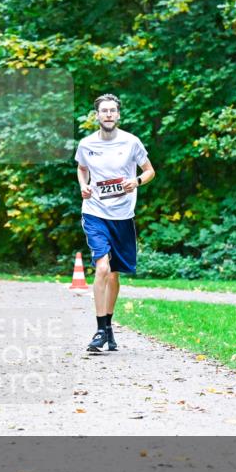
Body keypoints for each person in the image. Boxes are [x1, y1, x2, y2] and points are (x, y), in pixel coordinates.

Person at [75, 93, 155, 352]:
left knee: (115, 274)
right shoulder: (87, 144)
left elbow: (150, 170)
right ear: (96, 116)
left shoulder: (131, 142)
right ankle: (99, 330)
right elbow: (82, 168)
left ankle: (108, 326)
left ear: (118, 115)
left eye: (112, 111)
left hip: (122, 216)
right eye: (103, 111)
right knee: (102, 268)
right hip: (95, 212)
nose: (108, 115)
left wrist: (137, 181)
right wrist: (83, 186)